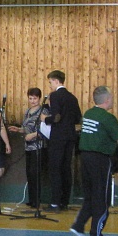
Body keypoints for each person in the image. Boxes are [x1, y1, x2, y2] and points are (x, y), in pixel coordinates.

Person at [69, 86, 118, 236]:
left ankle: (78, 225)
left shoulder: (88, 114)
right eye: (111, 97)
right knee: (102, 199)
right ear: (107, 99)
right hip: (100, 160)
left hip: (85, 158)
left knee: (90, 196)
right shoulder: (108, 118)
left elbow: (101, 134)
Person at [43, 70, 81, 211]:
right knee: (66, 168)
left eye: (50, 82)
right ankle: (65, 202)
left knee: (55, 169)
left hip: (58, 137)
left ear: (56, 81)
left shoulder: (55, 95)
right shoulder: (72, 97)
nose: (50, 85)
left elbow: (56, 117)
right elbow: (78, 118)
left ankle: (55, 203)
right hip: (70, 136)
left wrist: (45, 119)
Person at [9, 87, 48, 208]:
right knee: (29, 174)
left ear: (39, 98)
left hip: (38, 146)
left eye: (35, 98)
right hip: (28, 147)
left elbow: (46, 130)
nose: (32, 101)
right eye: (30, 98)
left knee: (35, 173)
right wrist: (19, 129)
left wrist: (33, 135)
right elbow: (26, 128)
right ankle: (31, 199)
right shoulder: (27, 111)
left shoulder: (43, 111)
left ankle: (37, 200)